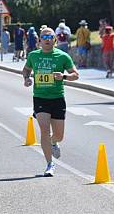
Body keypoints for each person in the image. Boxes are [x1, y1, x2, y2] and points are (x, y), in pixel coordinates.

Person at [22, 27, 79, 177]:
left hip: (57, 98)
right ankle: (49, 163)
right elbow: (26, 69)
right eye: (44, 37)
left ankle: (54, 142)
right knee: (44, 131)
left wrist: (64, 76)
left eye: (50, 37)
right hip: (40, 97)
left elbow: (75, 75)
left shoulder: (63, 56)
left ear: (55, 40)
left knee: (59, 135)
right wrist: (26, 78)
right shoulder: (33, 56)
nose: (47, 40)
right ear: (39, 40)